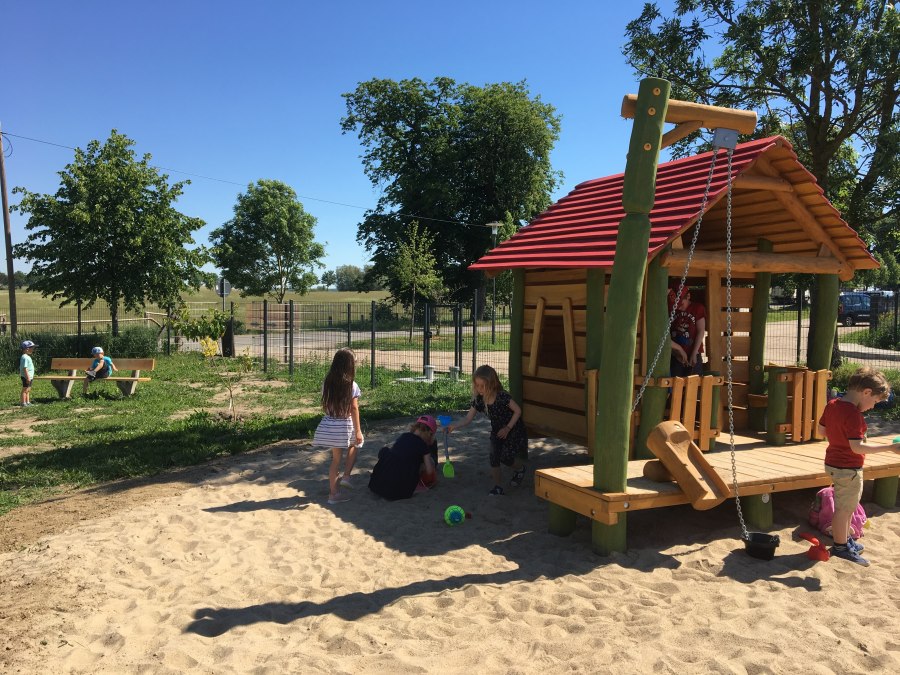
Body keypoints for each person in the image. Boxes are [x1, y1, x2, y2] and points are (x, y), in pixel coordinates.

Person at [817, 367, 900, 566]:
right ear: (866, 392)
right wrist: (890, 447)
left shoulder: (833, 404)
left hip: (833, 463)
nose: (872, 406)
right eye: (875, 402)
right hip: (848, 468)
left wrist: (840, 435)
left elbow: (821, 431)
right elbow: (857, 448)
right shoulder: (854, 415)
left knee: (846, 507)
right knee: (845, 510)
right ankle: (840, 546)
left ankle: (844, 540)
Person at [448, 364, 528, 496]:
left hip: (513, 429)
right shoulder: (479, 400)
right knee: (494, 457)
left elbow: (518, 411)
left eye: (482, 386)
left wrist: (508, 428)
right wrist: (454, 425)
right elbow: (468, 418)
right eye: (477, 385)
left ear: (491, 384)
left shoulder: (502, 397)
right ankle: (498, 487)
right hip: (497, 430)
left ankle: (520, 469)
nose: (479, 389)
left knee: (506, 457)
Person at [313, 348, 363, 504]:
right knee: (356, 444)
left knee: (335, 460)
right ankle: (347, 476)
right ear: (350, 365)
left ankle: (333, 494)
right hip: (344, 423)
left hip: (330, 422)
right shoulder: (351, 385)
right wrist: (358, 430)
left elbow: (324, 404)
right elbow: (354, 408)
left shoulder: (326, 383)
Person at [368, 416, 438, 500]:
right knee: (425, 463)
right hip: (398, 491)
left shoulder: (403, 436)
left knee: (388, 452)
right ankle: (415, 485)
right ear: (429, 433)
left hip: (377, 485)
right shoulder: (423, 446)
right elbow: (429, 471)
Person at [668, 284, 706, 377]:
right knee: (676, 385)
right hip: (677, 355)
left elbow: (701, 330)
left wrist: (694, 352)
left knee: (694, 383)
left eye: (681, 304)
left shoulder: (698, 308)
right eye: (676, 305)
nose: (679, 308)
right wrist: (675, 352)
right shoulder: (672, 309)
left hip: (694, 353)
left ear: (688, 296)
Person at [19, 340, 37, 407]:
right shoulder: (25, 357)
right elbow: (25, 368)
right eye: (32, 348)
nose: (33, 350)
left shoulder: (27, 356)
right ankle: (23, 403)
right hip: (27, 377)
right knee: (25, 389)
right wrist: (28, 377)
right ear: (27, 349)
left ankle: (28, 402)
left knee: (28, 389)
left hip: (29, 376)